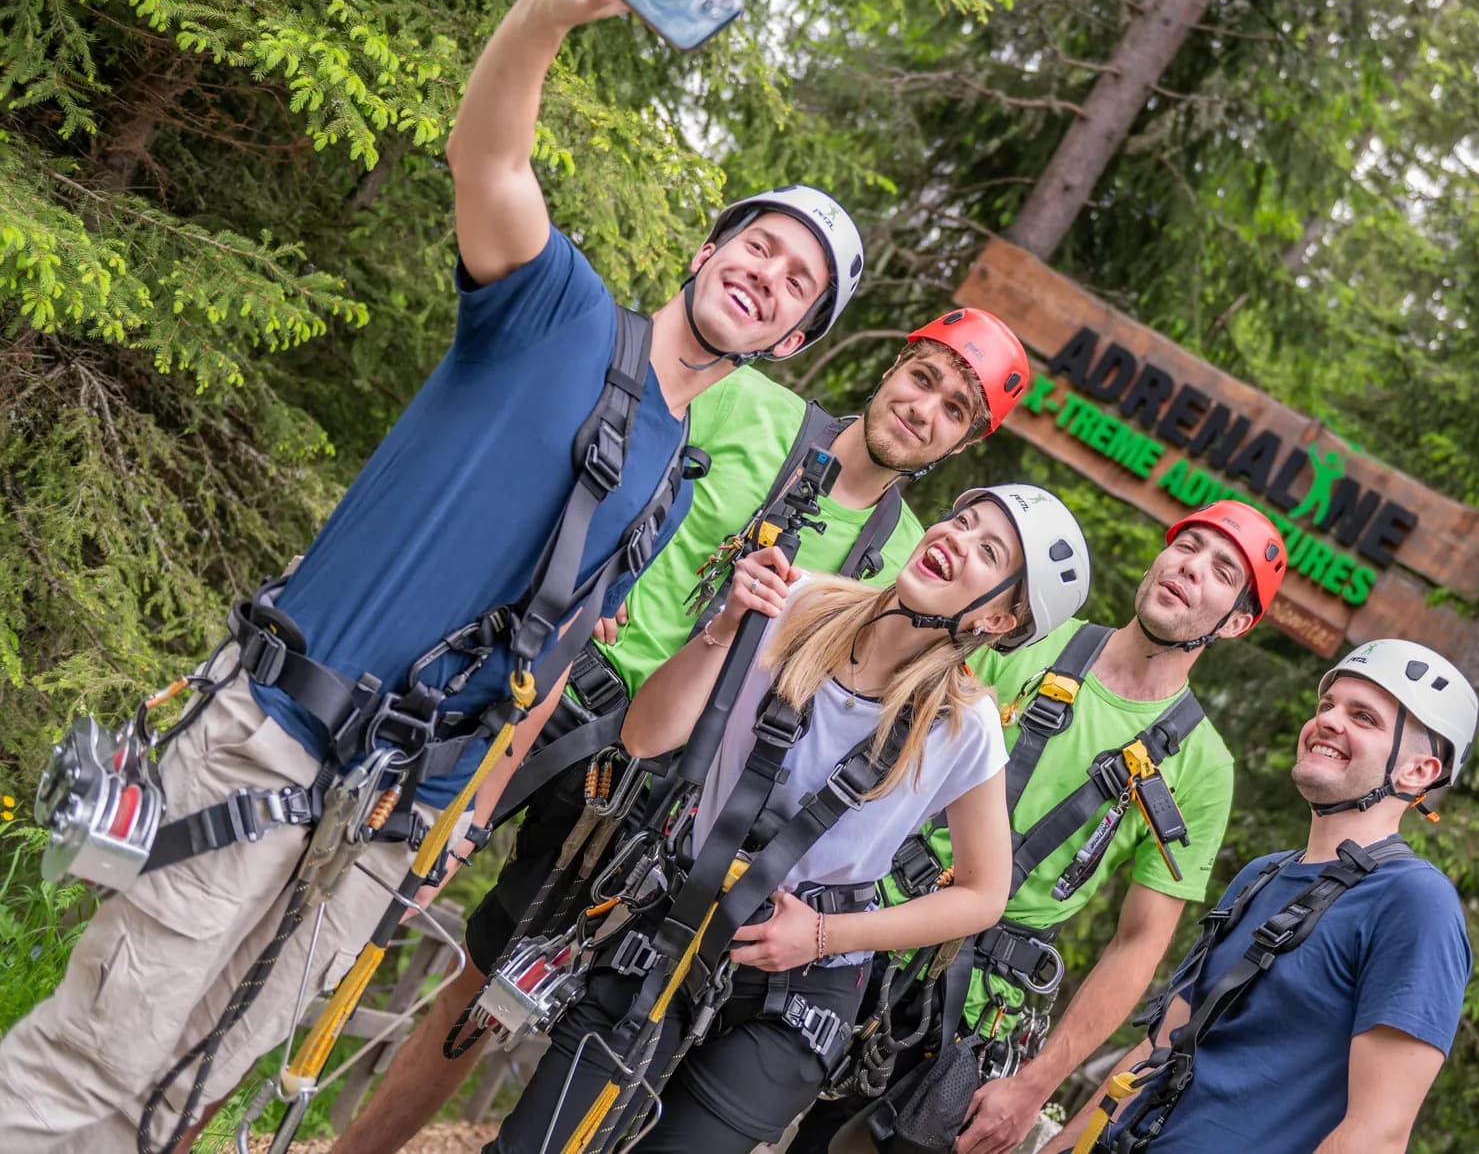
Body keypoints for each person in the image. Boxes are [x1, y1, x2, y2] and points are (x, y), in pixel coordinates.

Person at [0, 0, 864, 1154]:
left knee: (184, 1098)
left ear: (788, 344)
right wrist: (545, 11)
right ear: (706, 250)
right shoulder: (556, 310)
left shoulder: (679, 477)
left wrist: (447, 832)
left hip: (386, 824)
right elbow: (490, 161)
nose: (768, 276)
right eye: (760, 247)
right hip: (276, 741)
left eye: (797, 287)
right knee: (96, 1059)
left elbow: (557, 665)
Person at [330, 307, 1031, 1154]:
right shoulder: (748, 406)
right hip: (576, 703)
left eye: (954, 410)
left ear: (959, 447)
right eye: (924, 379)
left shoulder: (915, 560)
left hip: (671, 800)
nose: (925, 409)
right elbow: (619, 475)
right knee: (403, 906)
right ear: (893, 367)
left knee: (498, 992)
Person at [487, 485, 1094, 1154]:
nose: (955, 537)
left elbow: (983, 895)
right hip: (677, 916)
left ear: (1001, 622)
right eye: (962, 520)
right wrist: (724, 629)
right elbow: (643, 736)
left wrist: (826, 933)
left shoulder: (964, 725)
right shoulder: (793, 601)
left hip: (806, 981)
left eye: (989, 551)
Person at [791, 499, 1286, 1154]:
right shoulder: (1030, 632)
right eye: (1187, 546)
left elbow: (1138, 943)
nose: (1190, 568)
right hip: (860, 917)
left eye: (1222, 570)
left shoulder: (1202, 765)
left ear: (1238, 620)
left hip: (967, 1011)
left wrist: (1035, 1084)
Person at [1048, 639, 1479, 1154]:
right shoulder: (1263, 874)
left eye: (1364, 718)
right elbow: (1159, 1045)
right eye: (1328, 706)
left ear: (1418, 773)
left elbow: (1376, 1134)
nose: (1329, 721)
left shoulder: (1413, 904)